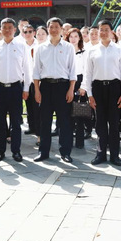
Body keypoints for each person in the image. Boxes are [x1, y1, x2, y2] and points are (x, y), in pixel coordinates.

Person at [81, 20, 121, 166]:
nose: (103, 32)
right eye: (101, 29)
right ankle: (100, 154)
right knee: (100, 123)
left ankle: (115, 155)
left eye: (106, 29)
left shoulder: (119, 50)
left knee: (114, 123)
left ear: (112, 32)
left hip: (114, 88)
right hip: (98, 88)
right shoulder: (92, 50)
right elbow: (88, 74)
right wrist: (90, 94)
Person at [0, 18, 32, 162]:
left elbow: (27, 69)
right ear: (0, 29)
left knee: (16, 123)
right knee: (0, 122)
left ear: (15, 29)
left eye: (10, 27)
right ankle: (0, 151)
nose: (7, 30)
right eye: (4, 27)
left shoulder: (21, 46)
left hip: (16, 88)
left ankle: (16, 151)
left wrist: (26, 89)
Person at [33, 17, 76, 163]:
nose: (54, 29)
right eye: (51, 27)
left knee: (64, 122)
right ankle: (43, 152)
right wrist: (37, 90)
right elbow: (36, 71)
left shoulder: (68, 47)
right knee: (45, 121)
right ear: (47, 29)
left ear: (62, 29)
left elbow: (72, 70)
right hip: (45, 86)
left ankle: (65, 152)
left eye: (57, 27)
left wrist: (71, 89)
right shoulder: (40, 48)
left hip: (63, 87)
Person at [66, 27, 87, 149]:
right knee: (67, 114)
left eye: (76, 36)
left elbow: (87, 71)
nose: (73, 39)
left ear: (80, 38)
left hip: (80, 82)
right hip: (67, 82)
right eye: (71, 37)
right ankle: (67, 140)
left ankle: (80, 141)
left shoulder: (85, 52)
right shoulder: (65, 51)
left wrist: (83, 87)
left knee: (79, 113)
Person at [22, 25, 39, 136]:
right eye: (25, 32)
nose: (28, 34)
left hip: (35, 80)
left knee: (36, 105)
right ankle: (31, 126)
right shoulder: (20, 46)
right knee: (28, 104)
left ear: (34, 32)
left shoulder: (38, 45)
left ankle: (38, 129)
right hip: (24, 79)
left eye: (30, 31)